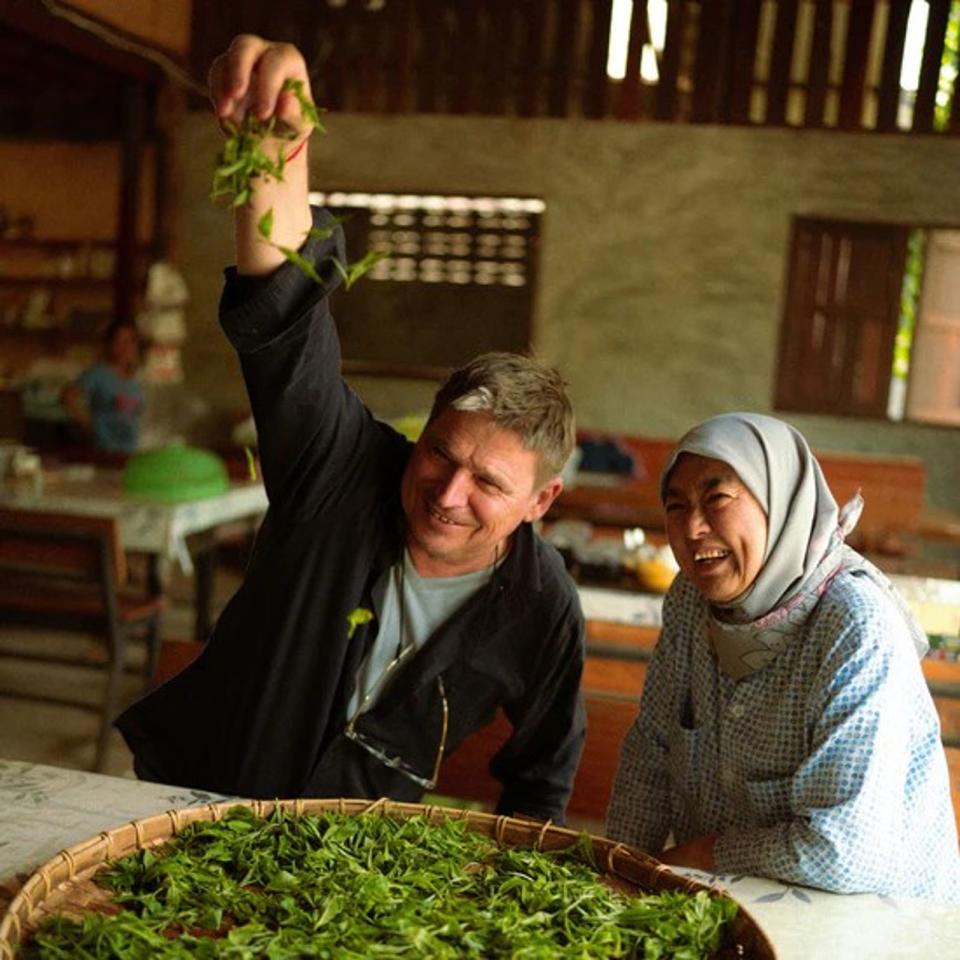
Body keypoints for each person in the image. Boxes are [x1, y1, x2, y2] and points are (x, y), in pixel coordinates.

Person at [116, 36, 586, 821]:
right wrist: (276, 151)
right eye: (441, 453)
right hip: (190, 803)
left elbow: (541, 780)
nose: (447, 493)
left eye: (490, 484)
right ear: (424, 430)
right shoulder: (339, 467)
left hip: (348, 857)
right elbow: (287, 321)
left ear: (542, 502)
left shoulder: (541, 609)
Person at [606, 412, 960, 902]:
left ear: (782, 501)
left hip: (873, 918)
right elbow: (652, 749)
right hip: (737, 901)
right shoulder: (690, 601)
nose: (692, 527)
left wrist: (706, 855)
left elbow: (842, 852)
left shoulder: (853, 625)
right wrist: (615, 873)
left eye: (717, 498)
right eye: (675, 505)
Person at [62, 319, 145, 454]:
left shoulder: (137, 379)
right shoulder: (98, 373)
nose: (125, 347)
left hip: (131, 450)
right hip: (104, 449)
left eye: (130, 342)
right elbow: (68, 397)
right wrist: (89, 425)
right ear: (111, 345)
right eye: (120, 342)